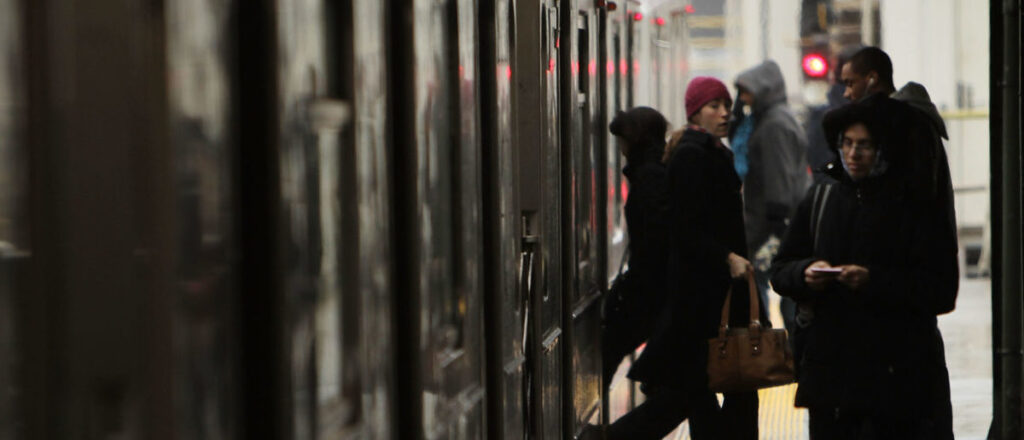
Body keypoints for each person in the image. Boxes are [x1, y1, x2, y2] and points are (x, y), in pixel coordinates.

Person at [770, 97, 957, 439]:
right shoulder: (822, 197)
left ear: (884, 150)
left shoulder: (913, 208)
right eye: (848, 144)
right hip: (831, 381)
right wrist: (806, 273)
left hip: (892, 381)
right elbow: (781, 268)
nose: (853, 154)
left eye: (865, 146)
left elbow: (941, 290)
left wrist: (874, 281)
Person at [605, 76, 762, 440]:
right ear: (695, 113)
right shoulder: (693, 156)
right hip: (705, 298)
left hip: (708, 297)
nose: (725, 113)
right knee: (706, 394)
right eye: (714, 106)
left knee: (700, 396)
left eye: (727, 105)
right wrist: (728, 258)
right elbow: (685, 230)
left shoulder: (706, 152)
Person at [729, 60, 811, 324]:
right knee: (779, 288)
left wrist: (776, 226)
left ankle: (769, 350)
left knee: (765, 287)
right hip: (777, 221)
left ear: (764, 89)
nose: (742, 98)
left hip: (773, 224)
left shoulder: (774, 124)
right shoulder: (772, 118)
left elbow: (779, 175)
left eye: (746, 91)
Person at [602, 107, 671, 388]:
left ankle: (607, 434)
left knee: (613, 347)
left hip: (652, 289)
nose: (621, 151)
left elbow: (653, 242)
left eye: (622, 142)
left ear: (636, 141)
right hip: (656, 288)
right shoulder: (654, 172)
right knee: (679, 389)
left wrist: (631, 286)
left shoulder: (650, 178)